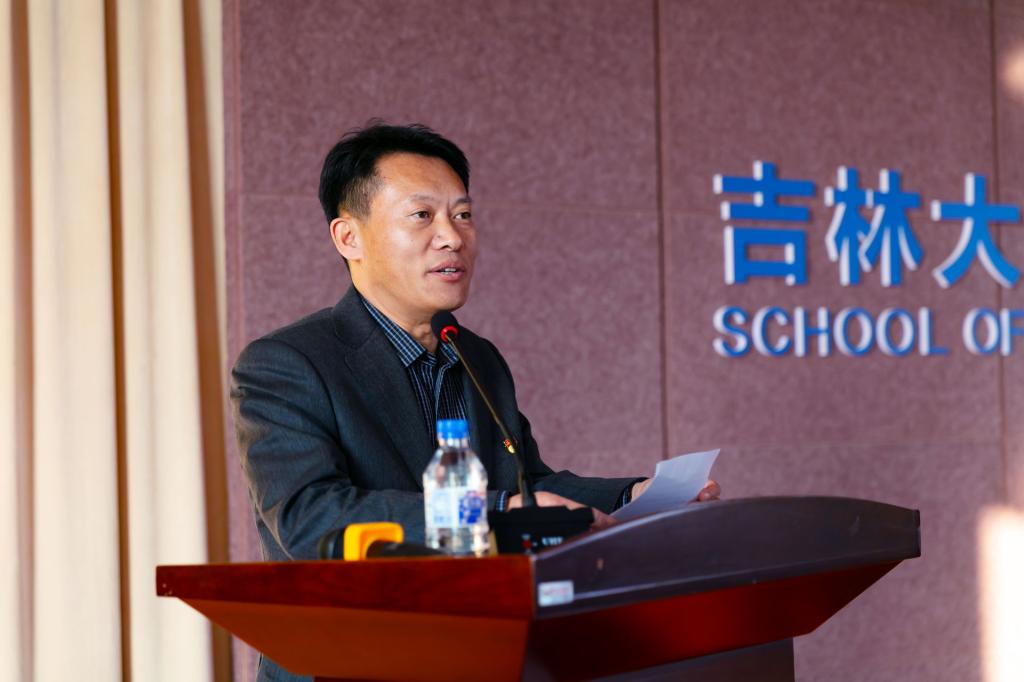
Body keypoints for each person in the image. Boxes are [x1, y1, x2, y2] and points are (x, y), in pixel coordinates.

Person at [231, 123, 720, 682]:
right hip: (351, 663)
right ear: (349, 238)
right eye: (422, 216)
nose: (452, 237)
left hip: (474, 656)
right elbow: (311, 519)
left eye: (462, 215)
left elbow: (526, 483)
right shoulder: (286, 363)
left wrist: (634, 496)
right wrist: (491, 515)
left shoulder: (474, 355)